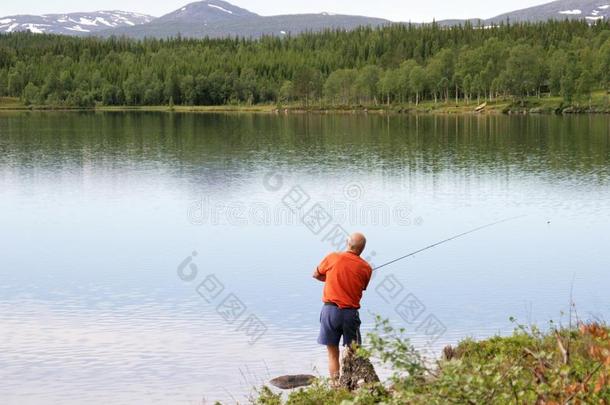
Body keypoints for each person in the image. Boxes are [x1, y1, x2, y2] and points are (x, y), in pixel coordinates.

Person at [312, 232, 373, 383]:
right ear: (362, 249)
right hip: (349, 314)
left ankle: (335, 385)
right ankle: (353, 383)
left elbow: (316, 274)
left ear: (347, 243)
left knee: (332, 354)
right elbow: (361, 287)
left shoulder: (333, 257)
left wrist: (332, 277)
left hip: (329, 311)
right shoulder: (366, 268)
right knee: (354, 352)